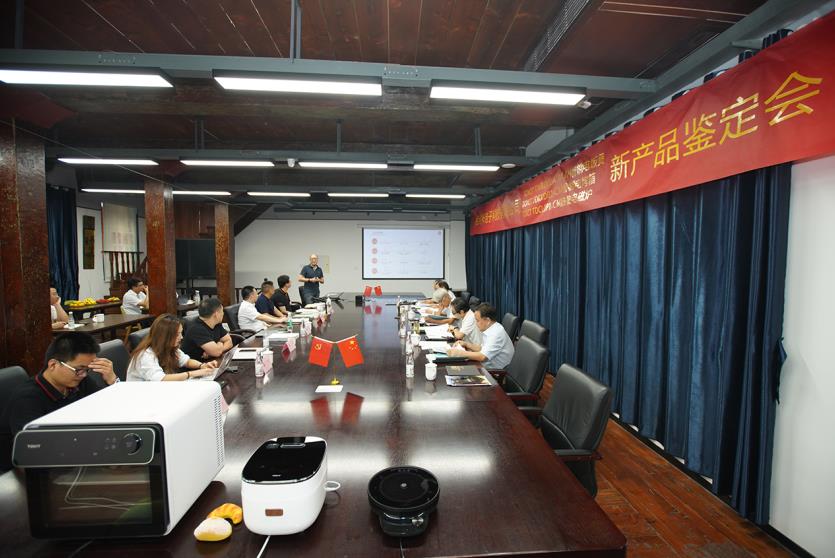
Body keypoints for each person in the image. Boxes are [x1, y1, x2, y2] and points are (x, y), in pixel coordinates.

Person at [0, 332, 118, 470]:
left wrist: (112, 381)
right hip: (24, 471)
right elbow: (33, 450)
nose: (83, 375)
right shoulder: (27, 399)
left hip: (70, 454)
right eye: (79, 370)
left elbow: (108, 409)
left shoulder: (79, 381)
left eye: (88, 370)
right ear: (53, 365)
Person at [127, 314, 217, 382]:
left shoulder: (168, 347)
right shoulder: (145, 355)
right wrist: (191, 374)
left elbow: (186, 361)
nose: (181, 337)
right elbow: (161, 379)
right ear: (165, 336)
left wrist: (202, 366)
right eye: (177, 334)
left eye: (181, 333)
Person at [447, 303, 514, 369]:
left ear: (487, 320)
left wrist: (460, 353)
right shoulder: (491, 328)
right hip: (486, 365)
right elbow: (483, 349)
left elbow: (482, 357)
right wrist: (466, 344)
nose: (476, 324)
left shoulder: (496, 333)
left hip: (494, 370)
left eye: (477, 320)